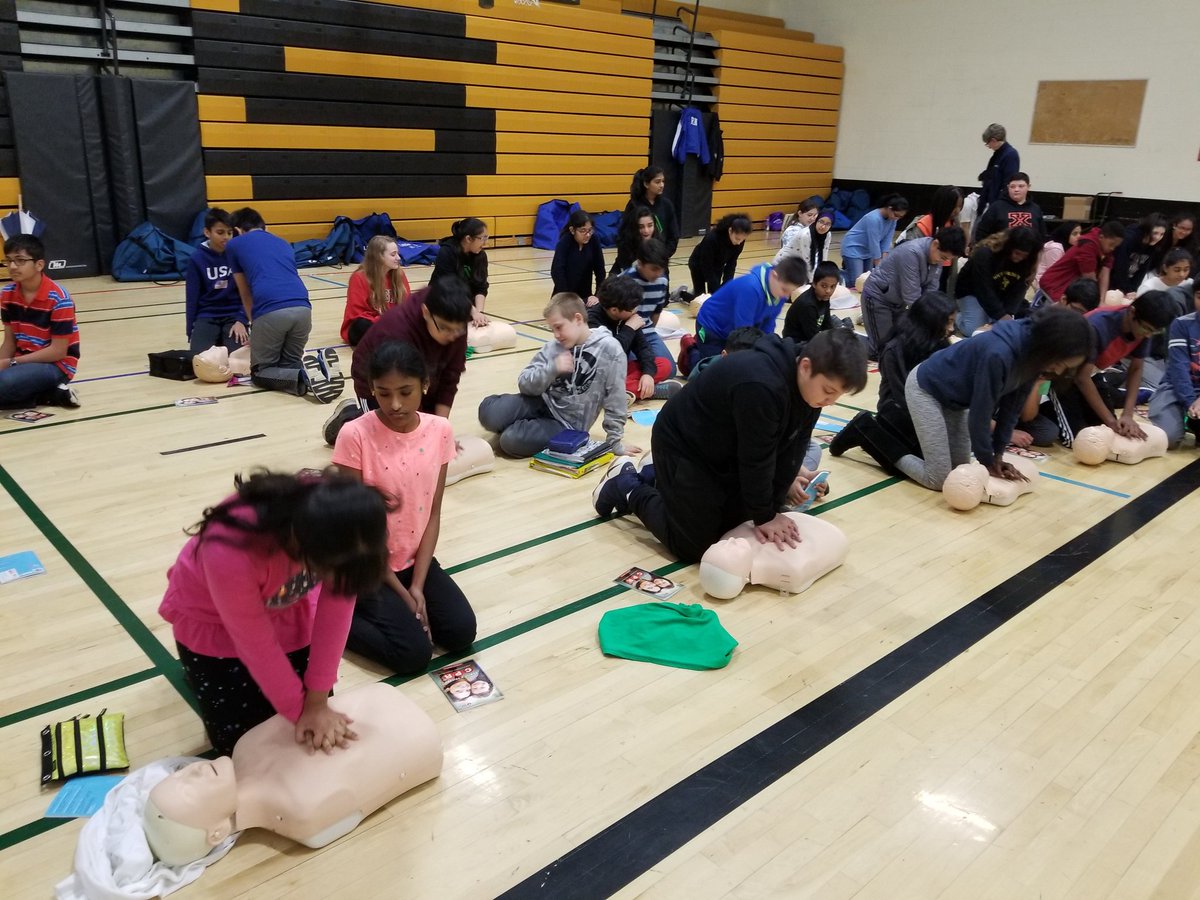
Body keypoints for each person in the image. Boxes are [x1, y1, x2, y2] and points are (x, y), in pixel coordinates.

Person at [157, 470, 389, 755]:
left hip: (285, 603)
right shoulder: (229, 549)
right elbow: (255, 642)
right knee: (240, 746)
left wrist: (316, 702)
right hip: (213, 623)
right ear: (304, 545)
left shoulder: (350, 525)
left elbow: (336, 614)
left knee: (308, 721)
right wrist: (298, 712)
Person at [592, 329, 868, 563]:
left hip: (724, 449)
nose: (830, 401)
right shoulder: (762, 384)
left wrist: (771, 509)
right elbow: (757, 459)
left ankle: (656, 478)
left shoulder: (810, 389)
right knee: (694, 547)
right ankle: (628, 485)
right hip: (685, 446)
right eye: (829, 391)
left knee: (735, 528)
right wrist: (766, 516)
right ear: (805, 366)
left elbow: (791, 447)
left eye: (838, 395)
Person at [332, 342, 476, 673]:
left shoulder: (439, 429)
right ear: (372, 390)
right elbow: (359, 532)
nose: (395, 404)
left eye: (405, 392)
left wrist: (418, 585)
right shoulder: (354, 435)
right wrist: (402, 593)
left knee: (460, 632)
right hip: (367, 563)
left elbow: (433, 511)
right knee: (413, 655)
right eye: (383, 394)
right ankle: (333, 613)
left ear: (424, 384)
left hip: (412, 559)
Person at [883, 306, 1094, 491]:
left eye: (1065, 368)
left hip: (957, 399)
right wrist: (987, 460)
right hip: (926, 389)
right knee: (939, 479)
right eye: (1060, 363)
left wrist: (998, 455)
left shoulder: (1034, 353)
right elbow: (980, 413)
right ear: (1052, 347)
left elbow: (1012, 408)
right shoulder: (999, 353)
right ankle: (872, 434)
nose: (1057, 370)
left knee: (960, 471)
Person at [477, 292, 636, 458]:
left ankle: (518, 428)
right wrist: (551, 369)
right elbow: (524, 383)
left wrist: (614, 442)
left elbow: (615, 399)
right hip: (539, 401)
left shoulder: (609, 349)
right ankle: (518, 424)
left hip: (564, 424)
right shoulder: (555, 346)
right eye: (552, 329)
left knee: (510, 441)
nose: (556, 335)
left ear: (578, 319)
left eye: (559, 327)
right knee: (488, 412)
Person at [323, 277, 473, 446]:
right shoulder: (397, 331)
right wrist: (421, 433)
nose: (451, 336)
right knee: (394, 441)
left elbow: (450, 378)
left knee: (424, 437)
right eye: (444, 328)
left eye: (458, 330)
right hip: (378, 384)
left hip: (424, 381)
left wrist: (439, 430)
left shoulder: (454, 321)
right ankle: (351, 418)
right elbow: (399, 394)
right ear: (425, 312)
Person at [830, 291, 956, 472]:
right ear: (931, 320)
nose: (951, 328)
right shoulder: (895, 348)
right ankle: (863, 428)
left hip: (928, 410)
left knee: (939, 459)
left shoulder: (939, 343)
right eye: (948, 322)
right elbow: (902, 395)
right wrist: (932, 422)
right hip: (898, 409)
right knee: (905, 465)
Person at [226, 208, 339, 401]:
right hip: (304, 308)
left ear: (237, 230)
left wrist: (254, 326)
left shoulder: (235, 244)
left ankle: (303, 376)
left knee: (261, 373)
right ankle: (319, 370)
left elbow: (245, 292)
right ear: (264, 227)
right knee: (289, 363)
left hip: (271, 309)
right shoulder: (283, 243)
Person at [1048, 291, 1177, 445]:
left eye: (1154, 332)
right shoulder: (1098, 325)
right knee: (1078, 441)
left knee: (1105, 431)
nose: (1148, 335)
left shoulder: (1144, 328)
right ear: (1132, 312)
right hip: (1063, 376)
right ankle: (1043, 409)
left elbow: (1136, 369)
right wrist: (1110, 420)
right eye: (1147, 329)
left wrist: (1127, 414)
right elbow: (1081, 378)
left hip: (1093, 373)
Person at [682, 256, 809, 373]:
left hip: (734, 329)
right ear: (774, 276)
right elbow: (742, 331)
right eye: (785, 290)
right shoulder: (751, 288)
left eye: (790, 292)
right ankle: (691, 350)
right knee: (712, 371)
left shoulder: (779, 293)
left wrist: (767, 349)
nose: (786, 296)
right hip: (712, 328)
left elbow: (768, 324)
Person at [0, 234, 80, 409]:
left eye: (20, 260)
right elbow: (9, 341)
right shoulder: (6, 295)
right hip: (21, 362)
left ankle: (44, 392)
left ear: (39, 265)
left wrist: (10, 363)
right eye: (9, 260)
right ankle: (51, 394)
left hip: (55, 366)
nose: (12, 266)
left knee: (4, 383)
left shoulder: (59, 298)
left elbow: (58, 352)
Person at [860, 226, 965, 356]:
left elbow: (931, 290)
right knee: (880, 349)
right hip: (877, 298)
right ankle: (847, 344)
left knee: (899, 344)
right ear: (936, 243)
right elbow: (911, 294)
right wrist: (929, 321)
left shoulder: (937, 256)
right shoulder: (911, 253)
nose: (942, 261)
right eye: (943, 257)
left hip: (898, 302)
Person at [587, 274, 675, 401]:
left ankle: (626, 391)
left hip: (621, 370)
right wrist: (629, 328)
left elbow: (643, 348)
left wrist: (648, 374)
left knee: (664, 364)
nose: (635, 310)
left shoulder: (627, 316)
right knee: (596, 387)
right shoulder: (592, 321)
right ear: (614, 310)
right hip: (598, 373)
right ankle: (649, 391)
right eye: (632, 308)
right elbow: (607, 354)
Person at [954, 226, 1042, 336]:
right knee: (973, 330)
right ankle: (956, 316)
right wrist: (1001, 315)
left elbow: (1019, 290)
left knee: (997, 328)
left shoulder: (1028, 262)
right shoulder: (985, 253)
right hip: (971, 291)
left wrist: (1009, 313)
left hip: (1000, 294)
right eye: (1017, 253)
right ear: (1009, 247)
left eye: (1024, 256)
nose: (1019, 258)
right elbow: (983, 289)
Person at [185, 208, 246, 354]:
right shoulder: (196, 259)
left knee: (238, 359)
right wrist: (191, 331)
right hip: (207, 315)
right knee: (201, 359)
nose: (226, 237)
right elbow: (192, 297)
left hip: (233, 315)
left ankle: (223, 339)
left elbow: (247, 292)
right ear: (207, 232)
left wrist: (242, 320)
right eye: (220, 232)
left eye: (229, 233)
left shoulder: (238, 255)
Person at [1149, 280, 1200, 448]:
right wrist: (1191, 402)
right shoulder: (1181, 324)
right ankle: (1188, 417)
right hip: (1177, 387)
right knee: (1167, 438)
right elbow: (1179, 368)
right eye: (1199, 297)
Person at [340, 235, 410, 346]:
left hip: (391, 323)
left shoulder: (399, 275)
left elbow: (407, 307)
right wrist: (386, 321)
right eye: (393, 254)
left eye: (397, 253)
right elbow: (357, 314)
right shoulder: (359, 277)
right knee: (362, 325)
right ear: (379, 256)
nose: (398, 258)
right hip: (369, 325)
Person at [622, 237, 676, 377]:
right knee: (631, 367)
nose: (658, 274)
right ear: (640, 263)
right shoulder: (625, 280)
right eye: (654, 269)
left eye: (661, 269)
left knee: (670, 369)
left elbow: (656, 312)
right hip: (626, 334)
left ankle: (643, 385)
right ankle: (644, 385)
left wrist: (649, 330)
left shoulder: (662, 281)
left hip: (648, 333)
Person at [1037, 220, 1125, 305]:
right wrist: (1097, 303)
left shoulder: (1106, 248)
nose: (1112, 248)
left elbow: (1105, 273)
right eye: (1111, 244)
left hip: (1070, 286)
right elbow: (1089, 279)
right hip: (1055, 285)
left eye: (1115, 246)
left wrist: (1102, 300)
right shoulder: (1088, 246)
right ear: (1101, 237)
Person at [838, 194, 909, 285]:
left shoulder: (893, 220)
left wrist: (884, 261)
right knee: (856, 281)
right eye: (896, 215)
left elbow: (887, 240)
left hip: (868, 251)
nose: (897, 218)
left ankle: (848, 270)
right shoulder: (873, 218)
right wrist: (879, 264)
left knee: (868, 279)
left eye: (900, 217)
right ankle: (834, 274)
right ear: (889, 208)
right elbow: (874, 242)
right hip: (853, 248)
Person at [616, 166, 679, 266]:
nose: (662, 185)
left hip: (658, 261)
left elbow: (673, 236)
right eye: (657, 182)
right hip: (634, 261)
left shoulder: (667, 205)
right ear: (646, 184)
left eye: (663, 181)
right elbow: (624, 236)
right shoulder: (634, 205)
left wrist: (661, 256)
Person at [433, 217, 490, 327]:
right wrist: (473, 312)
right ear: (468, 239)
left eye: (486, 238)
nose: (485, 243)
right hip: (443, 303)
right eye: (482, 238)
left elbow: (481, 286)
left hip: (466, 306)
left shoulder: (481, 255)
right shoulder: (447, 252)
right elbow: (450, 289)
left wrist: (479, 313)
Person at [689, 213, 753, 296]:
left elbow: (731, 264)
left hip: (717, 265)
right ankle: (681, 294)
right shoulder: (712, 238)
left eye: (742, 239)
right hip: (698, 264)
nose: (739, 242)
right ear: (730, 231)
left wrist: (726, 286)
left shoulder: (739, 241)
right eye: (737, 239)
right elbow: (706, 265)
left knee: (715, 295)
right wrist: (717, 288)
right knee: (701, 298)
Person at [550, 209, 606, 303]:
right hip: (564, 296)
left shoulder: (594, 240)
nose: (588, 235)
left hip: (586, 296)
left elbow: (600, 270)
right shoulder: (564, 242)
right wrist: (568, 297)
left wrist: (597, 295)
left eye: (590, 230)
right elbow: (557, 271)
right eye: (583, 231)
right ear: (572, 230)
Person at [973, 172, 1045, 242]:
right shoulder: (996, 207)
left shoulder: (1035, 209)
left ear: (1028, 187)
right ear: (1008, 187)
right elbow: (982, 233)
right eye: (1012, 186)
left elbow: (1042, 235)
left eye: (1021, 186)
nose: (1016, 190)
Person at [782, 261, 842, 343]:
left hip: (809, 336)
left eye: (832, 286)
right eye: (824, 286)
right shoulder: (807, 305)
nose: (828, 291)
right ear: (814, 283)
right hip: (796, 343)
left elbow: (827, 325)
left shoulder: (824, 297)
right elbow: (813, 338)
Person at [1110, 213, 1168, 296]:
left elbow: (1143, 269)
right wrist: (1127, 290)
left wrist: (1134, 289)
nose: (1158, 237)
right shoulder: (1129, 239)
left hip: (1130, 283)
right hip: (1113, 281)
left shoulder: (1153, 245)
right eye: (1155, 233)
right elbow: (1120, 267)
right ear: (1147, 230)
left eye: (1162, 234)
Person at [978, 124, 1020, 212]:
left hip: (998, 205)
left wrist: (998, 207)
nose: (988, 147)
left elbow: (1008, 183)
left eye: (987, 143)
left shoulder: (1010, 155)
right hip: (989, 202)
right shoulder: (997, 154)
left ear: (993, 140)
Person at [610, 206, 660, 277]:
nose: (646, 231)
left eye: (650, 225)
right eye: (641, 227)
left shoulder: (659, 245)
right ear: (634, 227)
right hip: (623, 281)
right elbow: (627, 274)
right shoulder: (625, 245)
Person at [774, 200, 821, 269]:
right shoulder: (792, 231)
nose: (813, 218)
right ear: (800, 213)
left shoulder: (810, 229)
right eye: (809, 215)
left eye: (815, 215)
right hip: (789, 269)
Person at [1035, 221, 1081, 291]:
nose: (1079, 237)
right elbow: (1056, 274)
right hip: (1043, 286)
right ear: (1066, 233)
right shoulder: (1055, 248)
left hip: (1056, 283)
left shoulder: (1069, 248)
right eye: (1075, 234)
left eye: (1080, 233)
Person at [808, 208, 835, 274]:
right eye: (821, 222)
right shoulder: (806, 234)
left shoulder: (828, 234)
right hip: (789, 264)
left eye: (828, 224)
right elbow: (806, 260)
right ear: (816, 220)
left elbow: (824, 255)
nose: (823, 227)